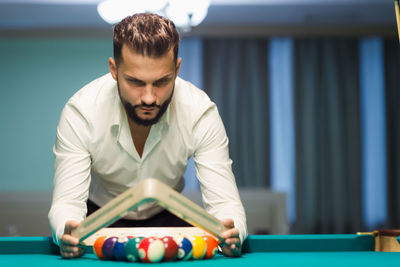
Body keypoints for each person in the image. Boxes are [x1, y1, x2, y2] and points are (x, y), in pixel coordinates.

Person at [48, 13, 247, 259]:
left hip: (170, 218)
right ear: (114, 69)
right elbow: (66, 203)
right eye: (135, 82)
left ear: (176, 69)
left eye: (162, 81)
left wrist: (233, 231)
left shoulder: (200, 112)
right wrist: (65, 231)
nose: (149, 97)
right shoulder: (81, 112)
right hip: (97, 222)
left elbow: (225, 203)